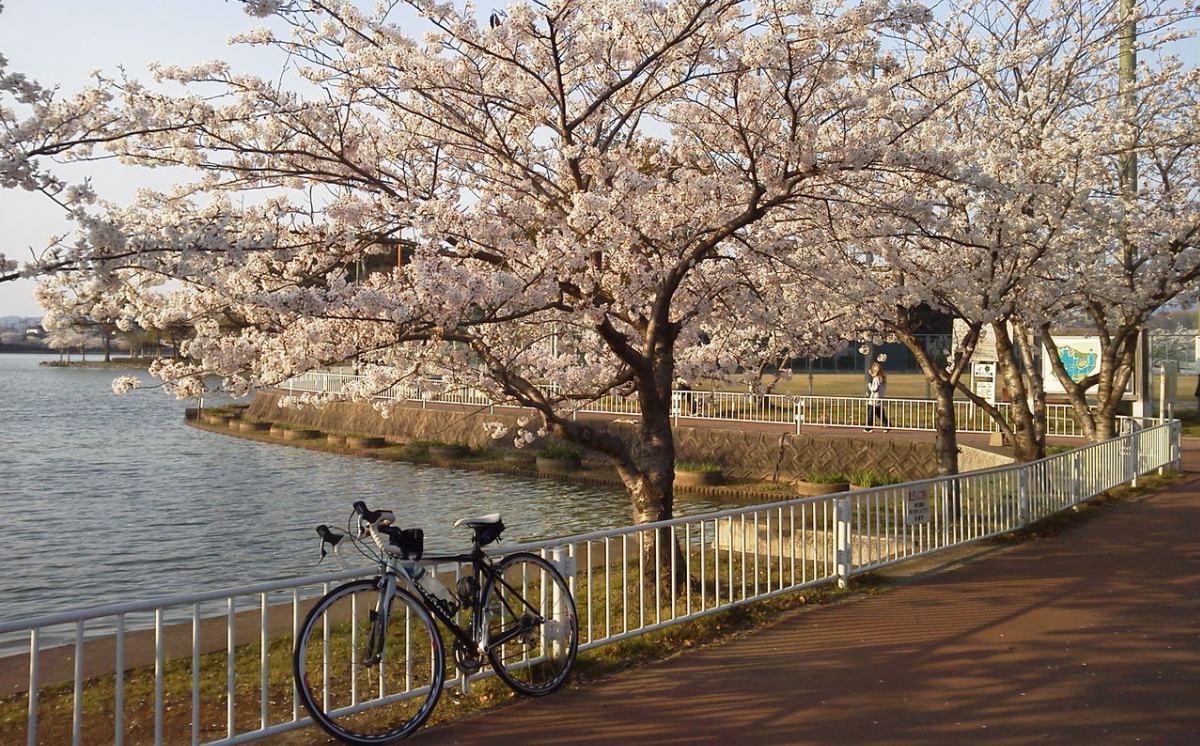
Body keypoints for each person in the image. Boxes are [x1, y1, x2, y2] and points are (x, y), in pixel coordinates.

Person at [864, 361, 890, 432]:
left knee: (871, 413)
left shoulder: (876, 379)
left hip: (874, 399)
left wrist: (869, 385)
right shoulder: (882, 378)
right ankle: (887, 425)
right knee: (880, 413)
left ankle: (869, 428)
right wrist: (872, 375)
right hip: (880, 397)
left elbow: (874, 388)